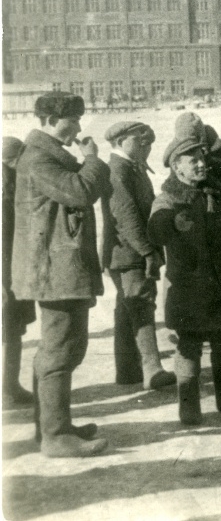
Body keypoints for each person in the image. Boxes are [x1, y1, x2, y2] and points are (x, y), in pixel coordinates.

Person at [148, 113, 221, 426]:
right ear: (177, 166)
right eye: (192, 160)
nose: (201, 164)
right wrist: (172, 223)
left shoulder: (215, 191)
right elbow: (156, 228)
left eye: (202, 158)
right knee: (189, 348)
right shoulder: (168, 198)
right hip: (190, 287)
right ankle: (189, 407)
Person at [11, 92, 108, 457]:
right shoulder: (39, 159)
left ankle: (54, 428)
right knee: (59, 350)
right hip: (55, 271)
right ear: (52, 120)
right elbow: (80, 191)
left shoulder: (45, 155)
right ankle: (54, 435)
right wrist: (93, 160)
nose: (79, 127)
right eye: (73, 120)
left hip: (57, 268)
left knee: (60, 349)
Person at [100, 121, 175, 390]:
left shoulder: (130, 166)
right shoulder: (118, 169)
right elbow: (126, 214)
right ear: (120, 141)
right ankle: (152, 369)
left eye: (148, 142)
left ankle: (128, 371)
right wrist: (147, 251)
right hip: (130, 252)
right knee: (141, 305)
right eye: (138, 140)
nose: (145, 146)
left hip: (125, 251)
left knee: (126, 308)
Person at [3, 137, 36, 407]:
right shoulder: (5, 191)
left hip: (15, 270)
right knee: (10, 332)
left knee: (14, 332)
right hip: (6, 274)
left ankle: (10, 386)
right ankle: (8, 388)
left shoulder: (14, 184)